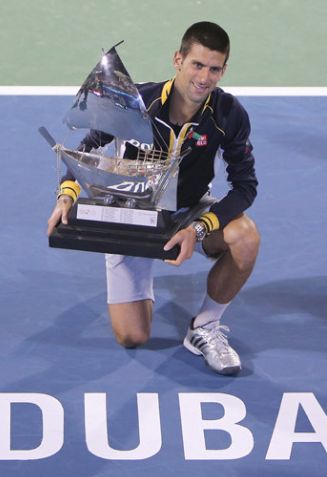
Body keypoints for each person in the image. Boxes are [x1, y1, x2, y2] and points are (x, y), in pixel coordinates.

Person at [47, 21, 259, 375]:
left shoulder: (228, 113)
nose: (204, 77)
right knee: (132, 336)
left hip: (190, 211)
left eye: (214, 69)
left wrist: (201, 229)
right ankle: (136, 269)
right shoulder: (137, 102)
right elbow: (86, 149)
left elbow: (245, 186)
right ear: (178, 60)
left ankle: (205, 327)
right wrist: (67, 194)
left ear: (224, 70)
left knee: (247, 237)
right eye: (197, 64)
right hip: (133, 215)